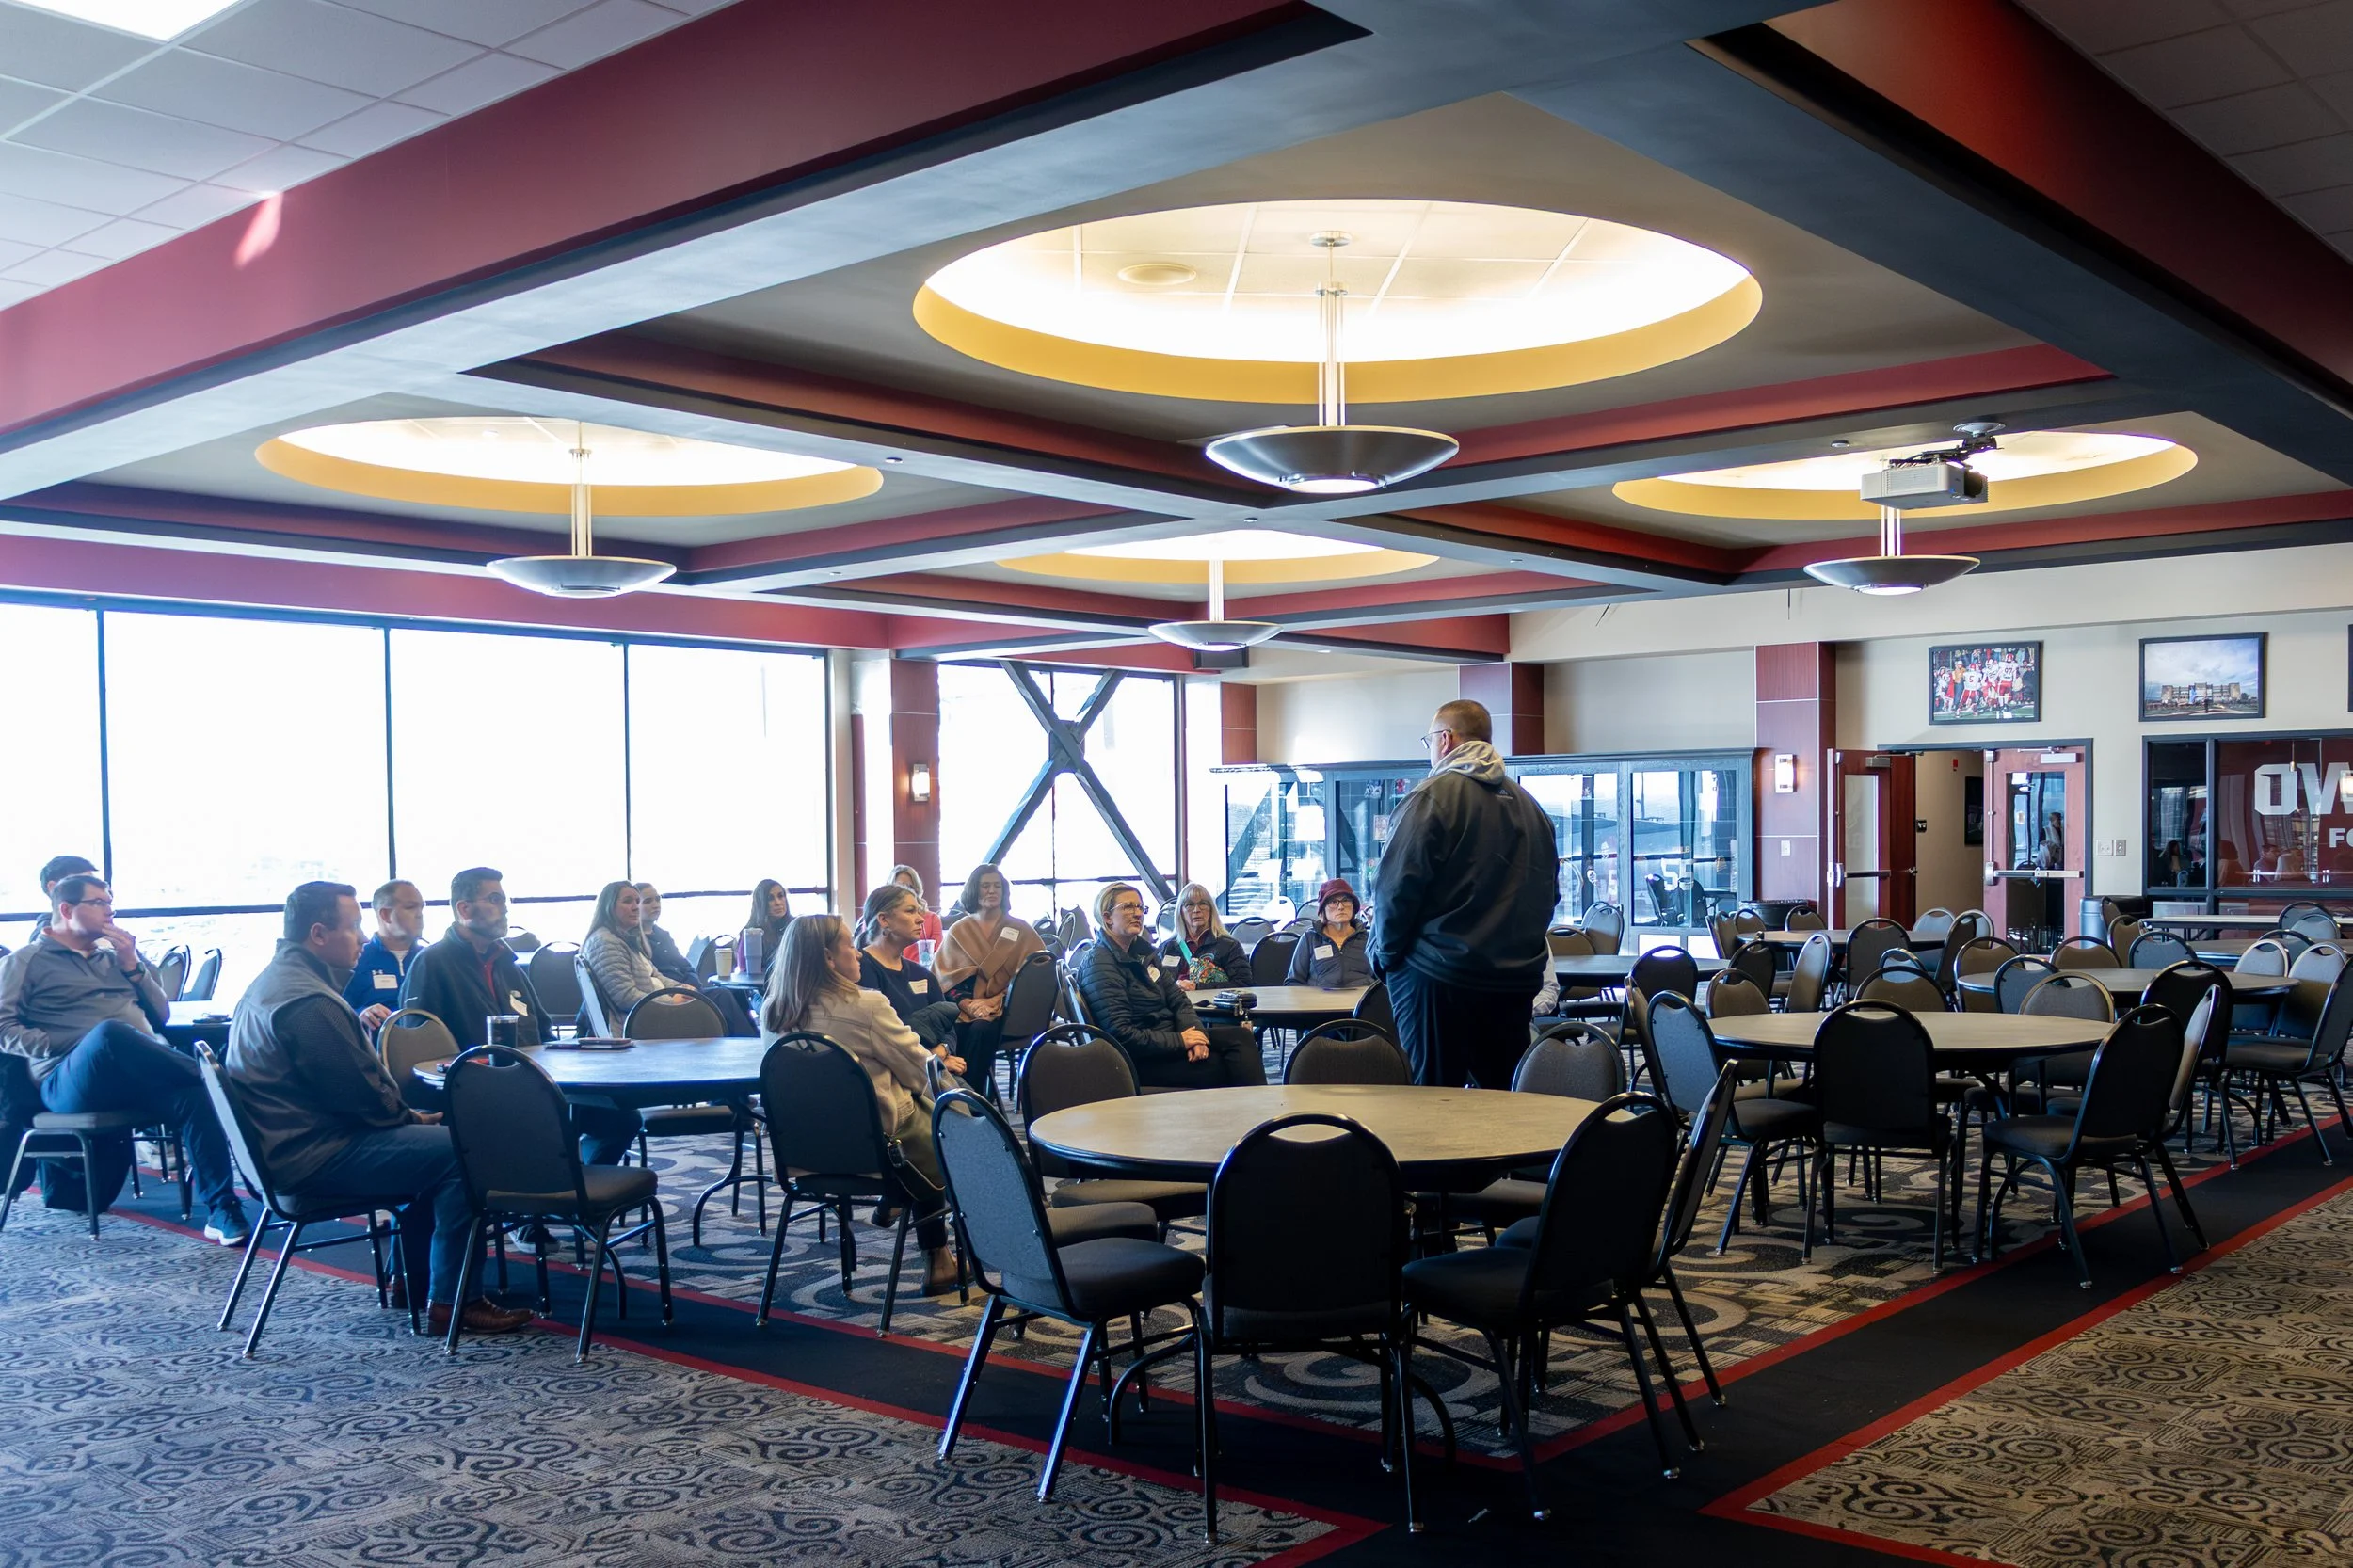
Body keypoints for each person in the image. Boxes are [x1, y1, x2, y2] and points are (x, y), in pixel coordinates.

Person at [226, 882, 530, 1335]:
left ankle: (412, 1279)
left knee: (439, 1146)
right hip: (312, 1158)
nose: (364, 938)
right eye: (353, 926)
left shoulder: (276, 983)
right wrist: (411, 1119)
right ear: (318, 934)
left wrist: (410, 1122)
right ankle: (455, 1301)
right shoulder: (307, 1002)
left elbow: (353, 1094)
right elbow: (361, 1096)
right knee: (463, 1151)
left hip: (287, 1149)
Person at [0, 873, 246, 1242]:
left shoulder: (118, 956)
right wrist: (50, 1044)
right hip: (67, 1080)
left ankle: (222, 1208)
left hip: (134, 1074)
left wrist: (132, 964)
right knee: (109, 1033)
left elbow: (162, 1013)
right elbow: (3, 1028)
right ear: (66, 910)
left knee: (193, 1099)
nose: (109, 910)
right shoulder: (26, 962)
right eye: (98, 902)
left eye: (110, 902)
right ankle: (224, 1080)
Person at [761, 913, 962, 1295]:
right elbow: (921, 1071)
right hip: (877, 1156)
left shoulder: (774, 1013)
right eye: (849, 946)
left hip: (803, 1155)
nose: (859, 954)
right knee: (943, 1121)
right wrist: (964, 1103)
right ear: (828, 958)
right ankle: (936, 1255)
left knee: (914, 1113)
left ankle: (898, 1198)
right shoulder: (866, 1005)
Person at [1372, 698, 1559, 1089]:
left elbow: (1395, 890)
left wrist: (1386, 957)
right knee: (1503, 1101)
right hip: (1512, 980)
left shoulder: (1431, 797)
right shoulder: (1532, 808)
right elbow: (1549, 895)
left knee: (1435, 1100)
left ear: (1445, 739)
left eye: (1429, 742)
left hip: (1437, 978)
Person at [401, 867, 638, 1165]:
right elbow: (421, 1049)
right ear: (464, 908)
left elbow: (543, 1031)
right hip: (477, 1092)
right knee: (549, 1126)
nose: (505, 910)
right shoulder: (433, 963)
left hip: (532, 1084)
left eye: (505, 900)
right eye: (495, 900)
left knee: (621, 1119)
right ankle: (557, 1192)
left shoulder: (506, 963)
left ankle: (574, 1193)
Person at [1076, 882, 1265, 1090]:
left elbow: (1179, 1000)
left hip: (1167, 1038)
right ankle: (1252, 1114)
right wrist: (1181, 1041)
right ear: (1107, 918)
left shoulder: (1143, 954)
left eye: (1140, 907)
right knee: (1223, 1067)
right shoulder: (1101, 963)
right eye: (1128, 907)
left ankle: (1260, 1113)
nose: (1137, 913)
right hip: (1138, 1059)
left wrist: (1195, 1036)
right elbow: (1121, 1033)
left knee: (1240, 1038)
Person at [933, 863, 1044, 1096]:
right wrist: (969, 1005)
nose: (992, 891)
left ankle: (974, 1098)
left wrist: (995, 1001)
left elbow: (1034, 980)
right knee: (954, 1028)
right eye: (985, 886)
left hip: (1009, 1011)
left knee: (981, 1029)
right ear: (975, 890)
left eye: (997, 886)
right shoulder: (958, 931)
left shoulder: (1021, 930)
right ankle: (953, 1094)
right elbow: (944, 980)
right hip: (966, 1008)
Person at [856, 885, 962, 1049]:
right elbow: (877, 1035)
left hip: (931, 1065)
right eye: (910, 911)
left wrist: (943, 1050)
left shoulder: (922, 974)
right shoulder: (859, 969)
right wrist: (928, 1056)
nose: (921, 919)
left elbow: (948, 1024)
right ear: (884, 920)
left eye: (919, 911)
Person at [582, 879, 692, 1021]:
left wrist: (681, 988)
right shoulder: (605, 942)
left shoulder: (626, 938)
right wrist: (671, 1002)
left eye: (637, 901)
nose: (636, 907)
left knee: (709, 1002)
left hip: (655, 1011)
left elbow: (656, 976)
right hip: (640, 1021)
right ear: (609, 907)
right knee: (707, 1014)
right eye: (628, 901)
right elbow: (626, 997)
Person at [344, 879, 424, 1023]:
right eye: (411, 907)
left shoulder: (429, 959)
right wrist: (361, 1014)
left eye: (421, 908)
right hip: (376, 1041)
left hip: (428, 1041)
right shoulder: (356, 958)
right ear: (385, 915)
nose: (419, 914)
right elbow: (339, 1010)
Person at [1158, 882, 1254, 990]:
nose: (1197, 910)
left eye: (1203, 904)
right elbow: (1152, 985)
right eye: (1189, 905)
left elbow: (1244, 984)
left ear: (1211, 910)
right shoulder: (1167, 948)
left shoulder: (1229, 946)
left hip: (1214, 1006)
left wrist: (1199, 988)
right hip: (1175, 1005)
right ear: (1180, 912)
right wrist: (1175, 986)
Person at [1287, 878, 1375, 987]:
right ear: (1323, 910)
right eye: (1333, 902)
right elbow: (1294, 981)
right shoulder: (1311, 939)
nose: (1341, 907)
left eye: (1346, 900)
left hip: (1362, 1002)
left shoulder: (1367, 938)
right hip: (1319, 1002)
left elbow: (1381, 979)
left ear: (1353, 907)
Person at [633, 883, 697, 986]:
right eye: (648, 901)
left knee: (725, 992)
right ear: (635, 907)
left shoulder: (663, 935)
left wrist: (693, 984)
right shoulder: (635, 940)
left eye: (658, 899)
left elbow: (685, 966)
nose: (656, 905)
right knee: (722, 995)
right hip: (668, 993)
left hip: (688, 988)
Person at [888, 865, 944, 957]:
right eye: (900, 887)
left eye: (910, 887)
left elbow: (937, 956)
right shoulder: (883, 918)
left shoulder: (932, 919)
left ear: (916, 889)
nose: (905, 892)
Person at [746, 880, 791, 976]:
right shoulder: (751, 934)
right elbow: (745, 973)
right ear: (761, 903)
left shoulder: (794, 927)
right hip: (760, 987)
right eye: (770, 898)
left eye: (781, 896)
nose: (778, 902)